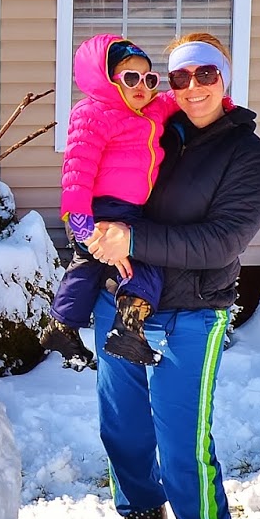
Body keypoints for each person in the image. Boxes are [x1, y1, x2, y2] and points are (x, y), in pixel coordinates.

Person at [83, 32, 260, 519]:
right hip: (123, 304)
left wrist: (133, 240)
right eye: (180, 77)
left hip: (192, 314)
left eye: (205, 74)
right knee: (124, 435)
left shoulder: (247, 155)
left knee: (183, 450)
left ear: (225, 78)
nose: (193, 87)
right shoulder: (154, 129)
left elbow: (223, 241)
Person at [43, 35, 179, 370]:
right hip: (101, 208)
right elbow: (77, 171)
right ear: (107, 79)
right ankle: (128, 329)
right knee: (145, 259)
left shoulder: (150, 110)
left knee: (87, 267)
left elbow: (177, 100)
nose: (142, 86)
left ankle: (61, 326)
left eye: (149, 79)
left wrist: (222, 102)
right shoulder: (93, 113)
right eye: (131, 77)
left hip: (128, 208)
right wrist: (81, 223)